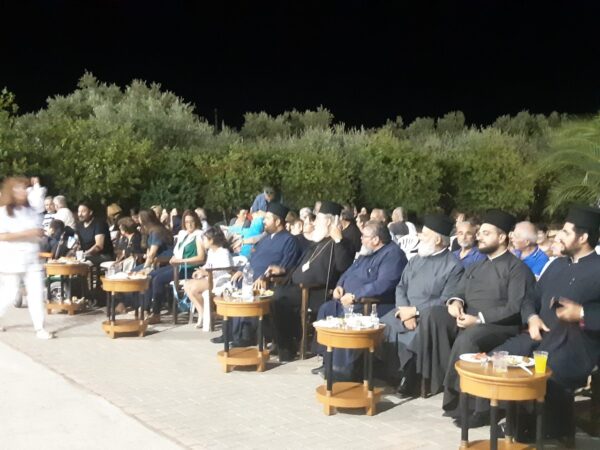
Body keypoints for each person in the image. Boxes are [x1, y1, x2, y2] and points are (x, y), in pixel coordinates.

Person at [489, 205, 600, 440]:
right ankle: (516, 423)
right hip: (538, 337)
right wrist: (532, 318)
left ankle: (548, 433)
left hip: (575, 346)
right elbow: (531, 297)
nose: (558, 236)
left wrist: (582, 313)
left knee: (547, 372)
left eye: (566, 232)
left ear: (583, 237)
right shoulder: (557, 265)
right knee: (498, 358)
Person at [409, 209, 535, 417]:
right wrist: (455, 302)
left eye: (486, 233)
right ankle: (436, 380)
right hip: (467, 316)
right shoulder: (476, 266)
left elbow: (514, 307)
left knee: (470, 337)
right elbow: (459, 290)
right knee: (433, 315)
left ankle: (467, 404)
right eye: (480, 233)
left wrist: (478, 320)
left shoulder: (517, 269)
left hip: (498, 325)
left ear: (502, 237)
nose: (479, 237)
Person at [380, 214, 464, 396]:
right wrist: (404, 310)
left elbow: (446, 300)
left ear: (437, 240)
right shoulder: (416, 259)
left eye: (424, 234)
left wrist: (415, 312)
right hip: (402, 311)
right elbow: (401, 287)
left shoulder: (453, 266)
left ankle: (408, 381)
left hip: (427, 318)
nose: (419, 237)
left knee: (416, 336)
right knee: (380, 327)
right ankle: (384, 376)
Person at [312, 220, 408, 377]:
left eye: (364, 236)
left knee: (348, 317)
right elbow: (349, 272)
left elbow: (384, 284)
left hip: (374, 304)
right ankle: (327, 362)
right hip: (348, 299)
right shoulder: (366, 253)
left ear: (376, 239)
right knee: (327, 309)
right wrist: (339, 286)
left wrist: (356, 296)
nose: (361, 239)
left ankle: (343, 370)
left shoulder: (393, 255)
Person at [271, 201, 354, 361]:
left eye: (318, 219)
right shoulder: (317, 242)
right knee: (273, 296)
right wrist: (284, 272)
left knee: (279, 297)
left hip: (316, 292)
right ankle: (284, 343)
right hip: (298, 288)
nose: (314, 223)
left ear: (328, 222)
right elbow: (300, 266)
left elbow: (344, 266)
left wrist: (338, 240)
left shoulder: (342, 243)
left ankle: (286, 347)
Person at [212, 202, 300, 345]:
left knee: (249, 290)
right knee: (233, 286)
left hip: (267, 282)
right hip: (250, 276)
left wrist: (265, 277)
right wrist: (241, 270)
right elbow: (252, 258)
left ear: (278, 221)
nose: (264, 221)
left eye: (267, 219)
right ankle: (229, 333)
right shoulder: (265, 239)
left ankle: (247, 336)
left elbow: (286, 267)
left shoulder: (290, 240)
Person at [0, 177, 54, 339]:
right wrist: (27, 233)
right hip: (12, 257)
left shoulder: (31, 210)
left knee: (36, 293)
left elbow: (37, 227)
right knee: (10, 293)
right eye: (18, 188)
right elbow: (2, 235)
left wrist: (38, 234)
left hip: (32, 257)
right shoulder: (4, 212)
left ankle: (40, 328)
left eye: (24, 188)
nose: (23, 191)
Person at [145, 210, 204, 324]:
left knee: (158, 280)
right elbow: (177, 253)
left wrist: (181, 261)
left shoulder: (199, 235)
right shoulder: (184, 234)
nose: (189, 224)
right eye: (186, 222)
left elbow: (201, 258)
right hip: (178, 265)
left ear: (196, 221)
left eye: (191, 221)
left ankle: (156, 314)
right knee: (150, 275)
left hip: (189, 268)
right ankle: (146, 309)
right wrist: (174, 258)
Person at [184, 227, 234, 330]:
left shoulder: (223, 252)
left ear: (211, 240)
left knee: (194, 288)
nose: (203, 242)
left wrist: (206, 272)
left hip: (219, 280)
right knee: (187, 285)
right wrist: (200, 270)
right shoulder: (211, 252)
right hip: (210, 278)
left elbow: (226, 269)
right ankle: (202, 311)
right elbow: (208, 265)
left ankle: (207, 313)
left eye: (205, 239)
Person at [75, 202, 114, 266]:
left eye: (83, 211)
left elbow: (99, 246)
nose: (80, 214)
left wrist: (85, 254)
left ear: (90, 212)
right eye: (79, 211)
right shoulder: (79, 226)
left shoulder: (99, 224)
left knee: (81, 263)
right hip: (86, 256)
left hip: (103, 255)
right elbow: (78, 244)